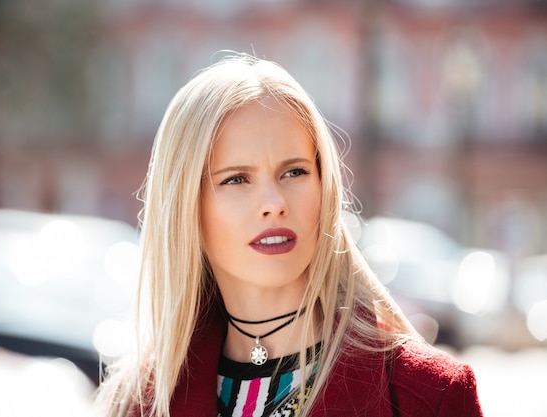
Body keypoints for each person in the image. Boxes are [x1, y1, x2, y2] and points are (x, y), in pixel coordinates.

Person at [95, 53, 483, 417]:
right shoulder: (135, 403)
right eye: (236, 179)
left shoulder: (429, 394)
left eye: (294, 171)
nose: (274, 202)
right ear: (184, 207)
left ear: (324, 188)